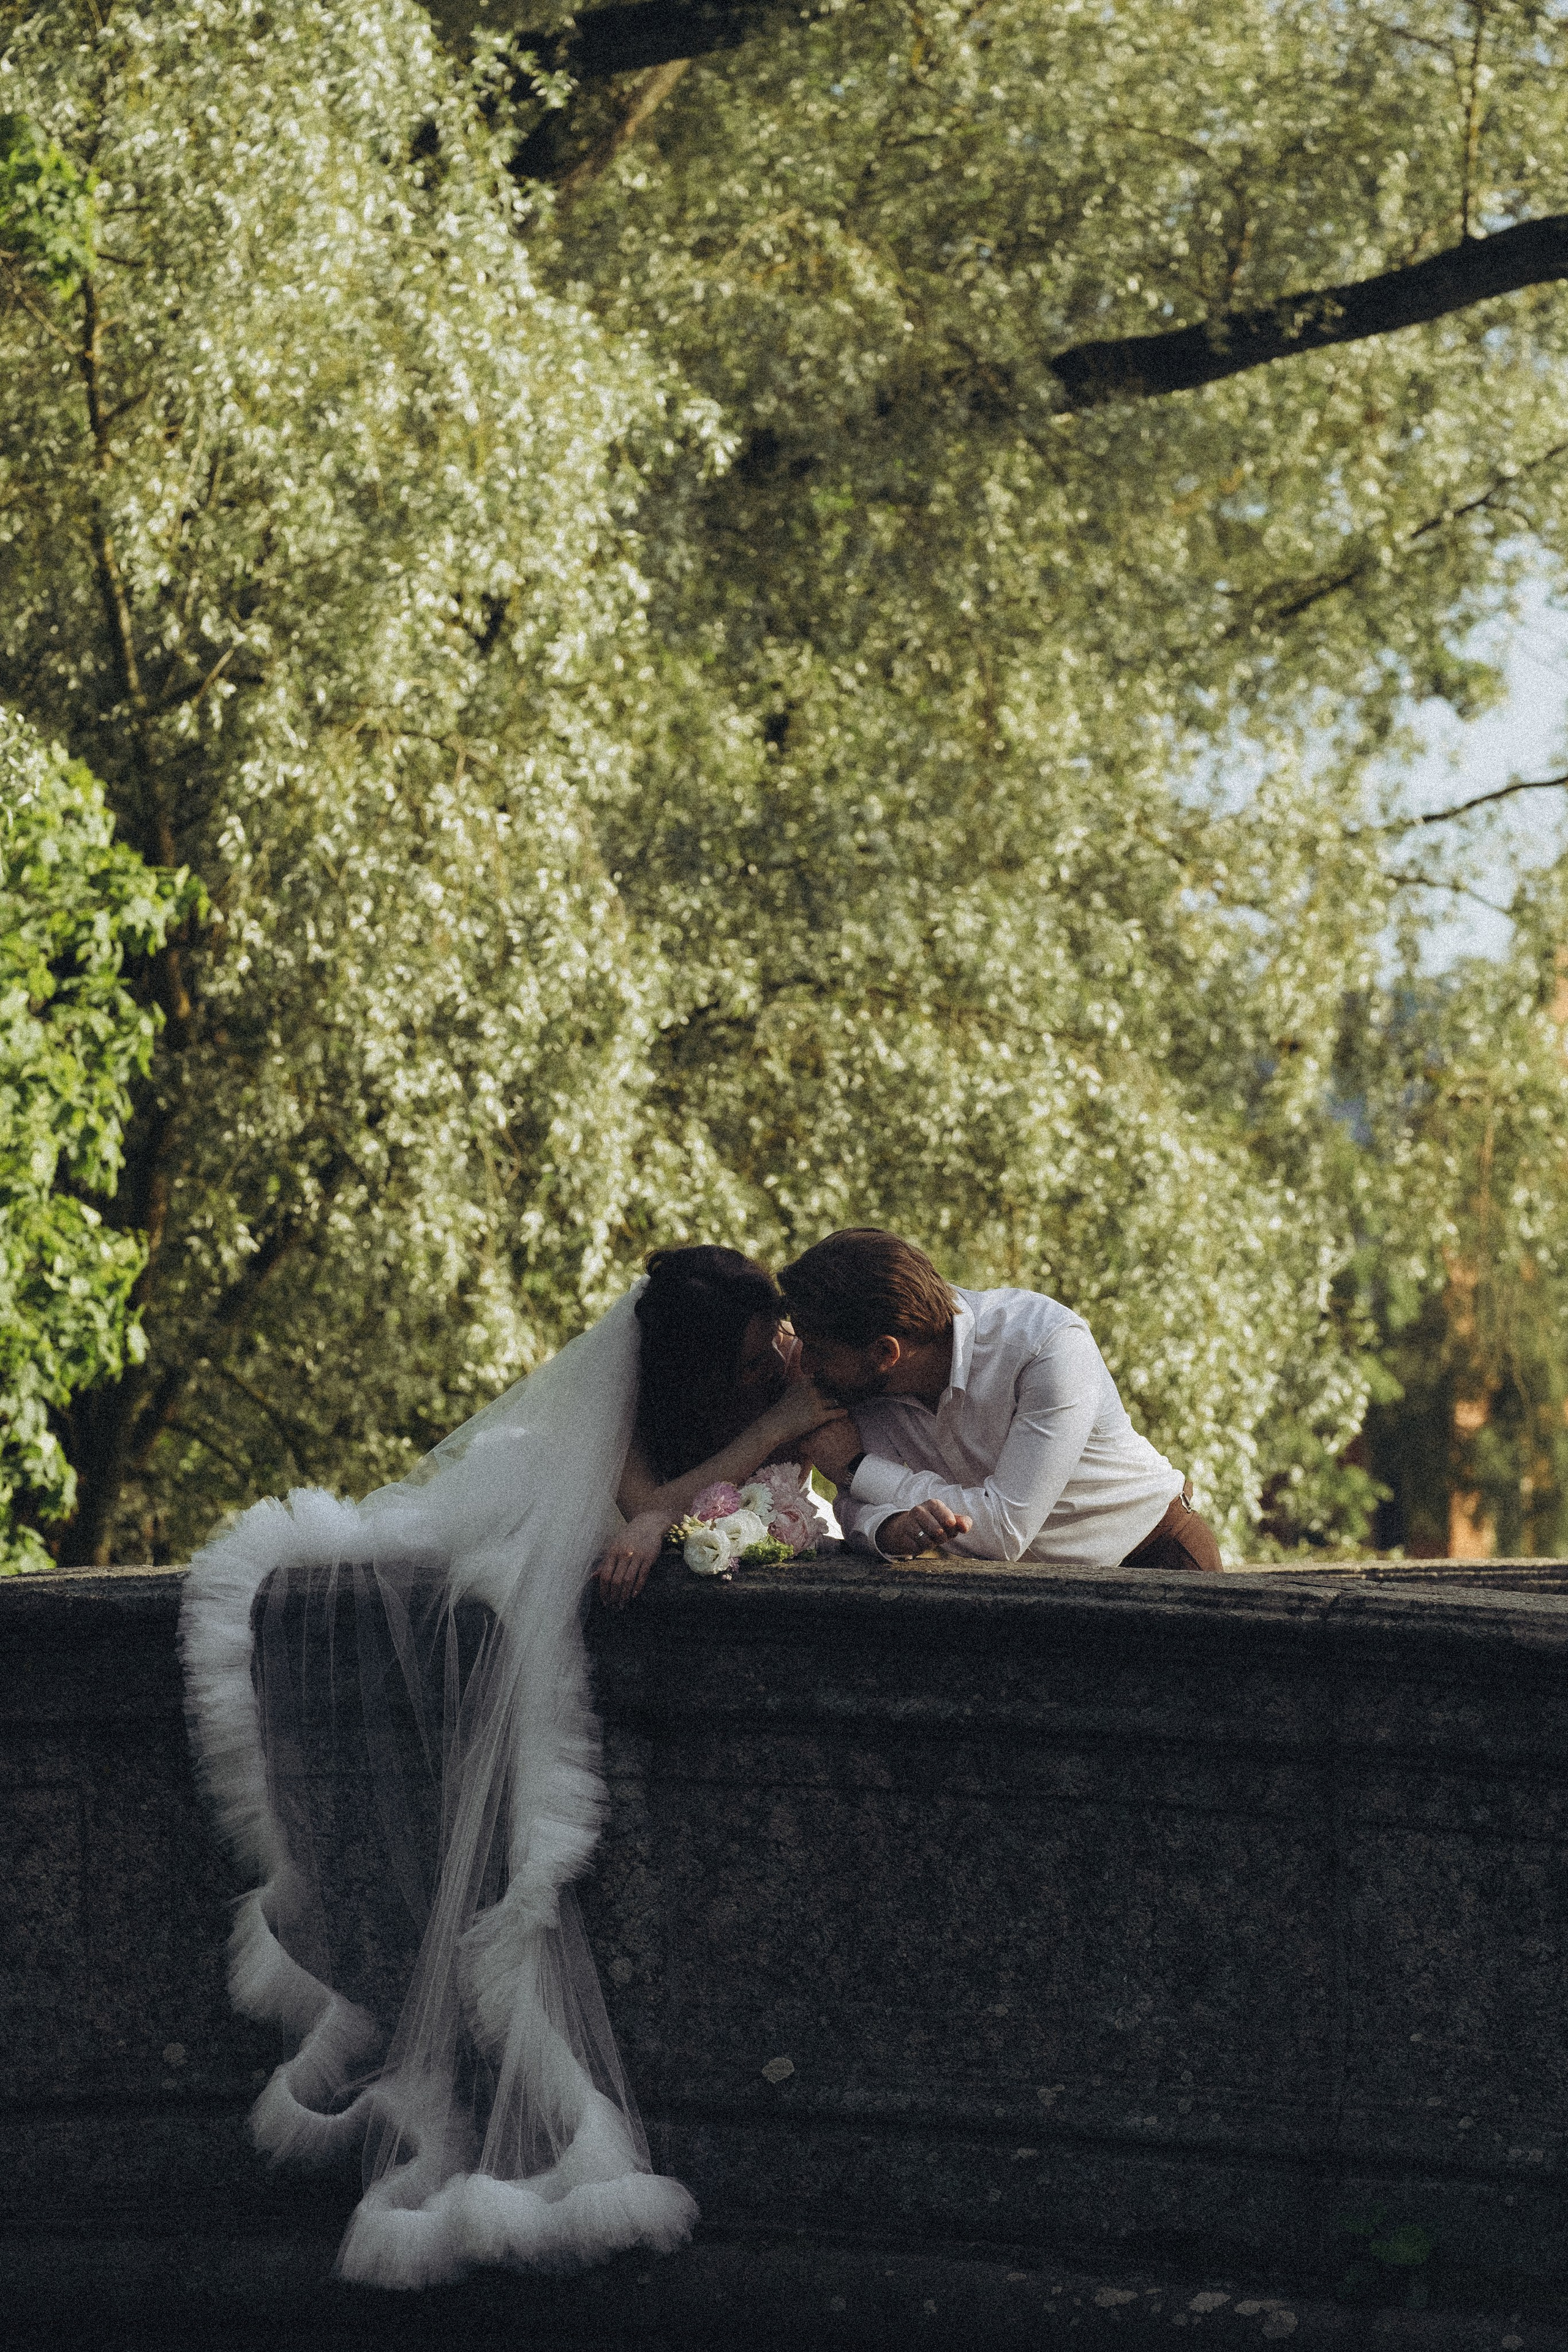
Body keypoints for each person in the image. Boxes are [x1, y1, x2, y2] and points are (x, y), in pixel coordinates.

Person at [179, 1246, 842, 2291]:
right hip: (525, 1518)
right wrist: (767, 1436)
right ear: (697, 1367)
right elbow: (653, 1497)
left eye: (782, 1346)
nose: (781, 1366)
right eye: (758, 1357)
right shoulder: (635, 1411)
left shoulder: (794, 1376)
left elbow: (824, 1464)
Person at [777, 1227, 1223, 1572]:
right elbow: (855, 1505)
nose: (807, 1365)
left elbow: (1003, 1530)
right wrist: (888, 1529)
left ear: (885, 1353)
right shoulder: (860, 1384)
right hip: (1031, 1592)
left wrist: (860, 1468)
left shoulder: (1045, 1344)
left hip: (1155, 1557)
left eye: (820, 1351)